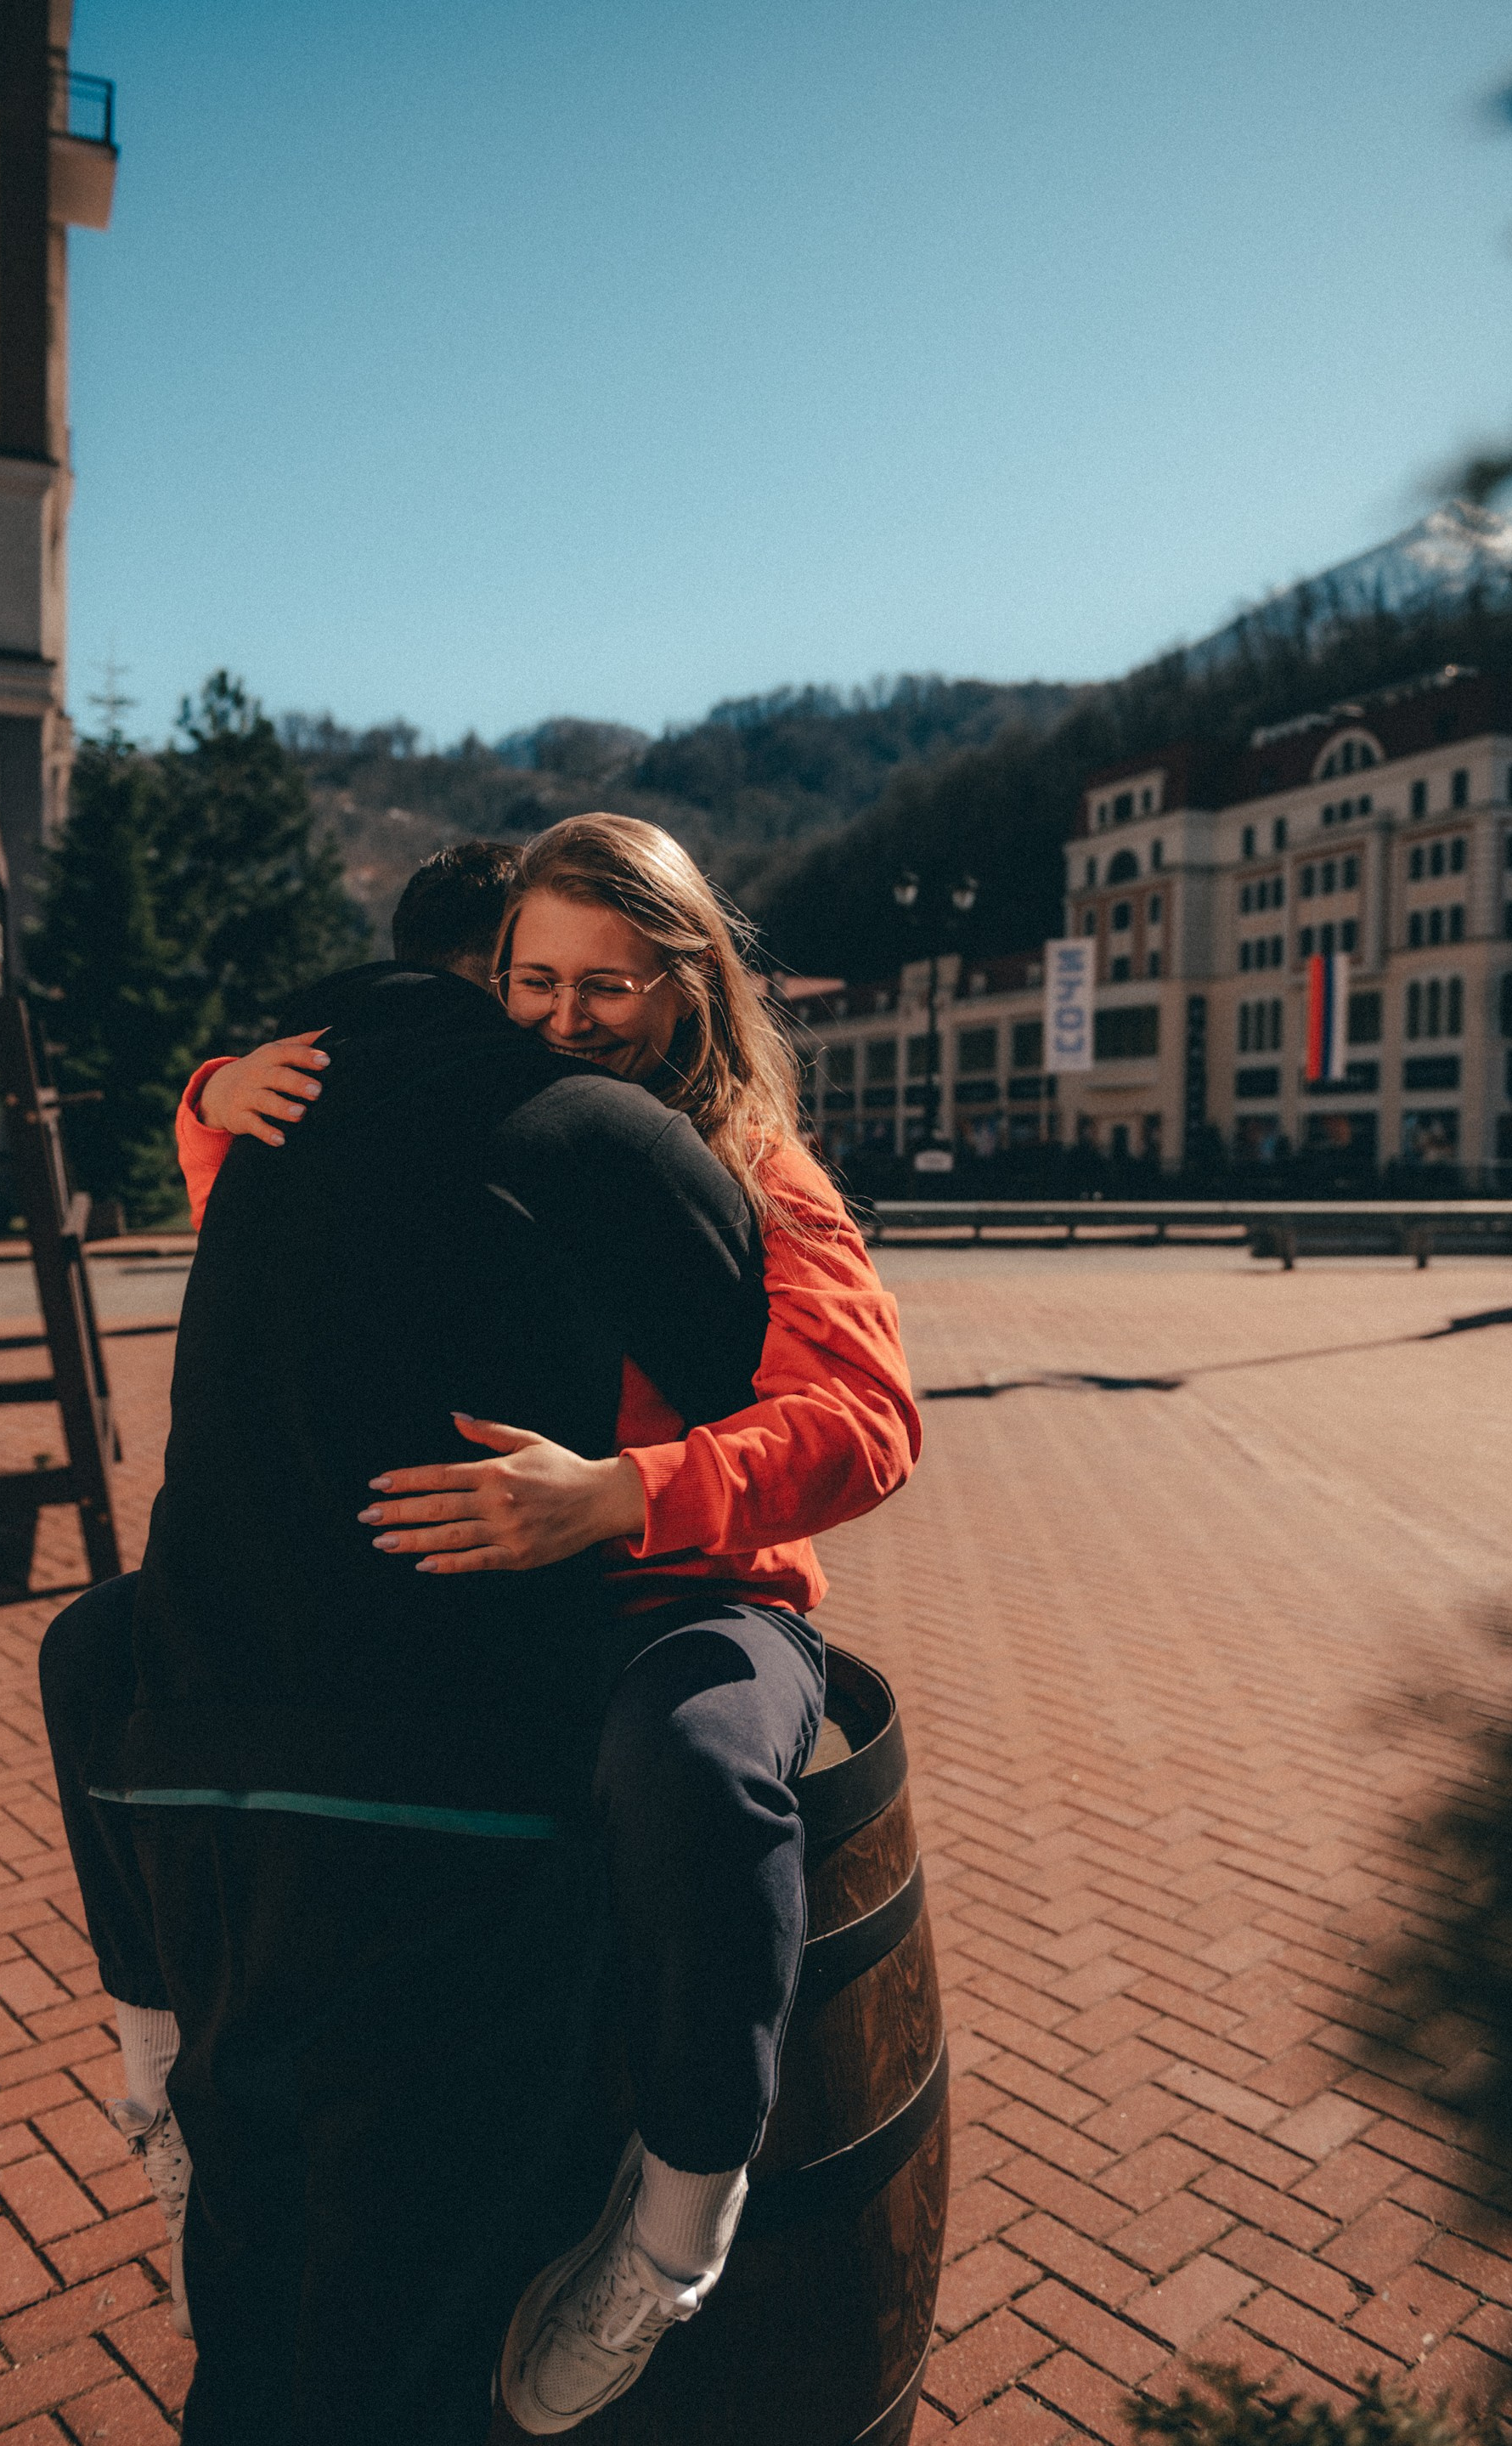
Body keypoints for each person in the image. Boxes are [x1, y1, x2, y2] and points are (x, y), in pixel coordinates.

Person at [178, 815, 918, 2436]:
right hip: (498, 1610)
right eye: (535, 980)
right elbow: (285, 1229)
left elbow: (866, 1424)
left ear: (692, 988)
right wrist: (212, 1097)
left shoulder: (756, 1171)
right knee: (123, 1658)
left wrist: (622, 1495)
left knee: (689, 1766)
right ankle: (177, 2065)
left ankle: (674, 2224)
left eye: (610, 985)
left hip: (693, 1596)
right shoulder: (493, 1117)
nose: (566, 1016)